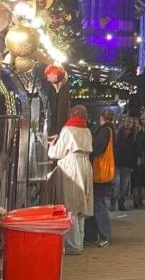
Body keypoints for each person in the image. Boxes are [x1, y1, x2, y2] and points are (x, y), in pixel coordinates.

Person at [47, 105, 94, 254]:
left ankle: (72, 246)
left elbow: (57, 153)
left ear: (72, 115)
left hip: (72, 167)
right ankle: (79, 243)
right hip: (86, 165)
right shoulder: (87, 130)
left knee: (71, 206)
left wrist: (51, 145)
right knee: (81, 207)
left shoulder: (68, 129)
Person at [89, 109, 116, 247]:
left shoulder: (105, 130)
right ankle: (101, 234)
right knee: (99, 203)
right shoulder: (111, 130)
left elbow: (97, 148)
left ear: (101, 118)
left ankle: (105, 235)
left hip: (100, 171)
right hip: (104, 171)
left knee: (99, 204)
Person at [111, 115, 140, 211]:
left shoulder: (134, 135)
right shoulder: (117, 133)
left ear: (132, 124)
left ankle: (121, 204)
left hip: (127, 164)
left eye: (130, 122)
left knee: (124, 186)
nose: (128, 124)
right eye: (126, 121)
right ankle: (112, 203)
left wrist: (133, 165)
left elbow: (135, 151)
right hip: (117, 163)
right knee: (116, 185)